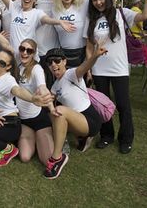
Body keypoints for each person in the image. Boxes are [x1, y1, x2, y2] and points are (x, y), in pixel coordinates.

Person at [84, 0, 147, 154]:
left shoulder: (122, 13)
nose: (98, 2)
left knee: (123, 105)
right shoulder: (92, 19)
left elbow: (145, 15)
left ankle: (126, 138)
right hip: (99, 69)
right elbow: (88, 47)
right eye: (94, 0)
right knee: (104, 105)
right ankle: (107, 135)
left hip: (119, 69)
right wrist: (89, 68)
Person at [0, 20, 54, 165]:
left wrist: (50, 106)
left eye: (29, 51)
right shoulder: (17, 61)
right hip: (23, 121)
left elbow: (42, 87)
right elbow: (5, 44)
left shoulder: (36, 69)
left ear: (34, 54)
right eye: (22, 49)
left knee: (46, 159)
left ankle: (46, 136)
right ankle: (35, 139)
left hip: (38, 118)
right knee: (24, 157)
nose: (24, 52)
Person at [52, 0, 132, 68]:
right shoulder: (54, 8)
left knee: (83, 84)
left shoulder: (83, 3)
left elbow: (109, 0)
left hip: (82, 54)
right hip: (63, 55)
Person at [43, 45, 107, 179]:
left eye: (57, 60)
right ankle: (80, 138)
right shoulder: (55, 86)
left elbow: (84, 66)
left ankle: (57, 158)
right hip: (78, 120)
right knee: (51, 113)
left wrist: (95, 55)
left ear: (64, 61)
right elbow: (47, 100)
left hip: (90, 120)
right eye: (50, 62)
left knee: (59, 111)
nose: (53, 65)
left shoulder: (71, 74)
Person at [28, 0, 59, 88]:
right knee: (34, 87)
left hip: (49, 53)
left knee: (51, 87)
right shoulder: (24, 0)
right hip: (32, 54)